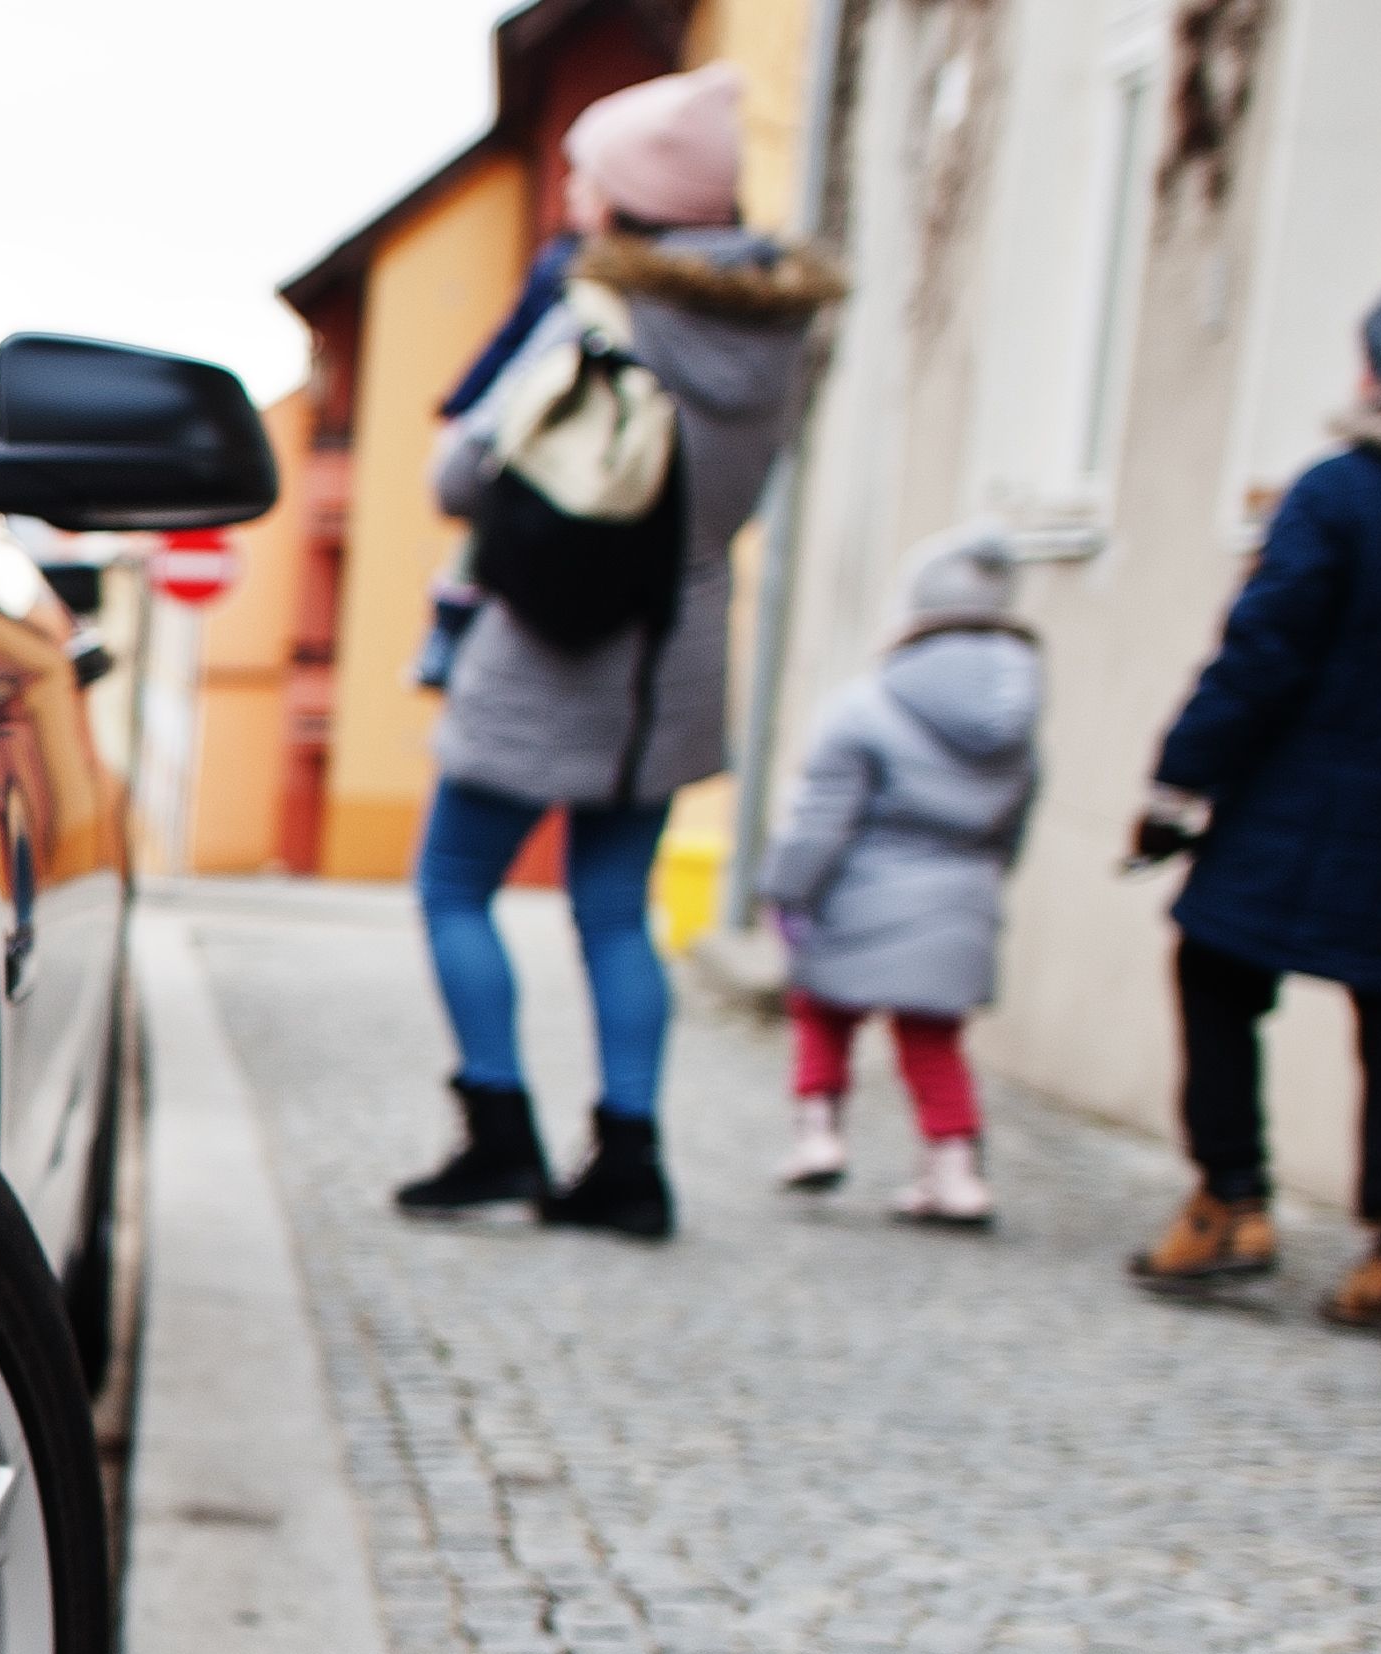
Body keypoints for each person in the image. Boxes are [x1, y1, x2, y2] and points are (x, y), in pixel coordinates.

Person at [393, 61, 843, 1240]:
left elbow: (460, 475)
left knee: (451, 885)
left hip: (544, 642)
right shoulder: (776, 333)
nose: (568, 195)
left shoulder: (594, 312)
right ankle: (629, 1161)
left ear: (625, 193)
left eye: (582, 175)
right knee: (613, 910)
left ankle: (497, 1131)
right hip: (675, 647)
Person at [1126, 249, 1381, 1340]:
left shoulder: (1340, 494)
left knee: (1215, 971)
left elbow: (1259, 655)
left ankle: (1228, 1203)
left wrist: (1179, 781)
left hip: (1301, 798)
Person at [758, 526, 1041, 1226]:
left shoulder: (867, 704)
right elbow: (1019, 816)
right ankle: (955, 1173)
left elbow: (822, 814)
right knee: (932, 1038)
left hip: (859, 892)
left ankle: (818, 1133)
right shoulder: (1018, 718)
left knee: (822, 1007)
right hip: (963, 897)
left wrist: (786, 888)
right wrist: (987, 885)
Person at [413, 227, 584, 691]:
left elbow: (517, 346)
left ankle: (451, 623)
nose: (574, 190)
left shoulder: (580, 282)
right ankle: (452, 619)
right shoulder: (564, 260)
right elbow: (511, 337)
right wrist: (459, 402)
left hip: (548, 427)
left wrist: (467, 419)